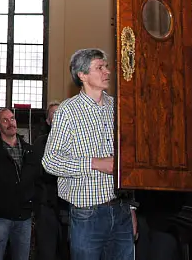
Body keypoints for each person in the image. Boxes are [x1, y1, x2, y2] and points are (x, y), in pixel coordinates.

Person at [43, 49, 137, 260]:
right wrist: (94, 163)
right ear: (82, 75)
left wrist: (131, 207)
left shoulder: (117, 106)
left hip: (121, 209)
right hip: (88, 214)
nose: (107, 72)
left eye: (106, 66)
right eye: (100, 67)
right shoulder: (68, 111)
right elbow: (50, 161)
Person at [0, 108, 42, 260]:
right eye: (5, 120)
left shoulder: (29, 151)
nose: (10, 123)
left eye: (12, 118)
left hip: (24, 217)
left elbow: (38, 182)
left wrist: (33, 206)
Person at [32, 101, 65, 260]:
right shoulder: (40, 143)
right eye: (54, 114)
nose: (57, 117)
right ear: (48, 121)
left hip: (68, 207)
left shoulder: (74, 141)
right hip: (46, 207)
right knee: (46, 252)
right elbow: (37, 173)